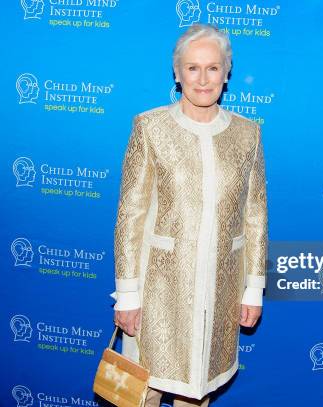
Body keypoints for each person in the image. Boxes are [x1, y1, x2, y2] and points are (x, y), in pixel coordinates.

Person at [111, 23, 267, 407]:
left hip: (221, 287)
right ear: (177, 73)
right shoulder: (150, 127)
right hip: (158, 287)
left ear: (226, 73)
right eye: (192, 68)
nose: (202, 78)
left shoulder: (248, 134)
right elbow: (130, 215)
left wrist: (253, 288)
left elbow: (255, 215)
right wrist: (127, 294)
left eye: (213, 68)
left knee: (199, 392)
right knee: (143, 391)